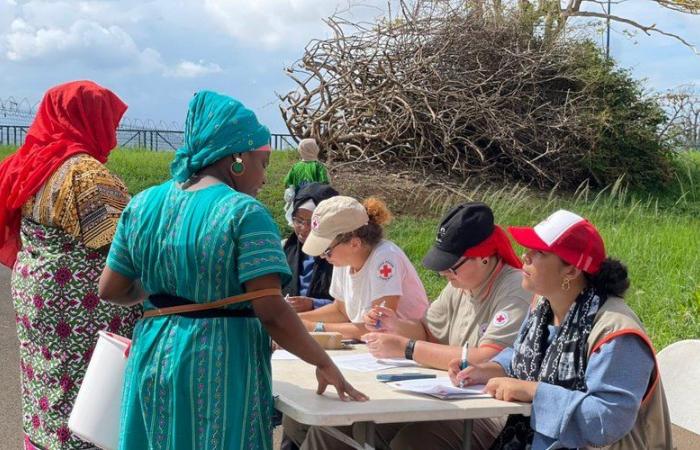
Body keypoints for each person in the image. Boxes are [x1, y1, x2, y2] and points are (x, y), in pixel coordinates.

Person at [98, 91, 366, 450]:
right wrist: (323, 362)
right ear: (237, 158)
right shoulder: (243, 213)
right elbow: (271, 311)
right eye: (263, 162)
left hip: (153, 351)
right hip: (217, 361)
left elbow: (111, 289)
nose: (265, 177)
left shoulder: (143, 203)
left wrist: (168, 291)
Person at [286, 202, 531, 450]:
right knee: (335, 431)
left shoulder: (514, 288)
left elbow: (488, 357)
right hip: (445, 395)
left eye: (451, 266)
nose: (445, 273)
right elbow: (427, 329)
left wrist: (408, 348)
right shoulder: (460, 283)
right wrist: (394, 325)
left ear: (485, 258)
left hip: (489, 409)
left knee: (411, 443)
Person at [449, 209, 673, 450]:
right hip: (534, 440)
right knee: (424, 434)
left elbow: (606, 421)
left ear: (571, 270)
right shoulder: (543, 304)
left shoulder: (616, 333)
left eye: (539, 252)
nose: (525, 256)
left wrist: (534, 391)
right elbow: (520, 355)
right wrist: (487, 370)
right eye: (527, 248)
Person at [0, 80, 142, 450]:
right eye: (109, 120)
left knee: (46, 384)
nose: (112, 132)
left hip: (37, 299)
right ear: (88, 118)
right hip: (80, 310)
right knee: (87, 396)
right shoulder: (85, 174)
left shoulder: (29, 161)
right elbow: (125, 248)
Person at [296, 195, 429, 340]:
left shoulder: (385, 258)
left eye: (327, 251)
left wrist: (317, 327)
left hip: (410, 346)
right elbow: (341, 311)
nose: (322, 256)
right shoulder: (343, 260)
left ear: (355, 243)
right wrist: (294, 319)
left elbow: (379, 326)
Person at [282, 182, 339, 313]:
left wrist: (314, 304)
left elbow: (350, 304)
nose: (304, 228)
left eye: (312, 222)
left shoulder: (340, 253)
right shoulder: (285, 249)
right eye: (298, 220)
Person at [282, 138, 330, 225]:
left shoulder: (296, 167)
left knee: (300, 223)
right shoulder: (319, 166)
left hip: (298, 201)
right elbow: (325, 183)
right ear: (315, 149)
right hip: (315, 202)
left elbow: (287, 183)